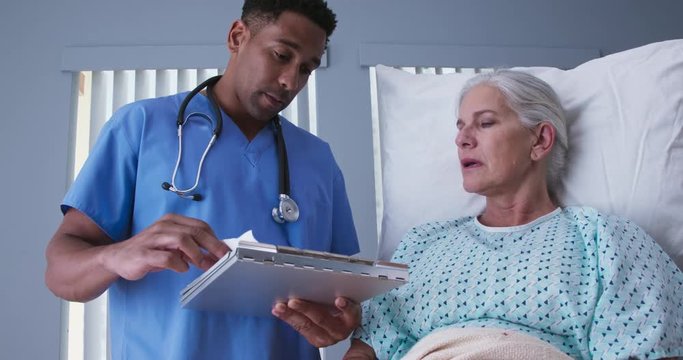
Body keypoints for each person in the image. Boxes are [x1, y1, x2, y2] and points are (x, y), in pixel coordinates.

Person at [45, 1, 362, 359]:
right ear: (237, 36)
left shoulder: (318, 160)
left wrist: (344, 321)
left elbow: (344, 298)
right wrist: (115, 256)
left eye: (306, 69)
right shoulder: (141, 127)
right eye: (280, 55)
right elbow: (59, 272)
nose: (291, 80)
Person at [343, 70, 683, 359]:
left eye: (485, 123)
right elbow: (367, 349)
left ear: (540, 140)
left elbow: (643, 349)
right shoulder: (423, 244)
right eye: (460, 127)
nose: (462, 139)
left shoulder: (606, 239)